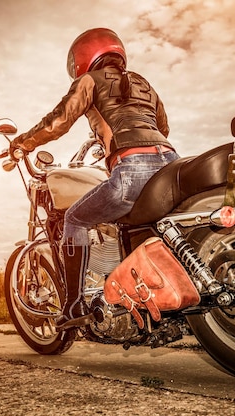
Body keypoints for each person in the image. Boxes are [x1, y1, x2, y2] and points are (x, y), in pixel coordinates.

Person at [10, 28, 179, 328]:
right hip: (170, 162)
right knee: (137, 226)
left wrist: (23, 142)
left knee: (74, 219)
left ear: (83, 58)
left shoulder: (89, 80)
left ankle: (73, 306)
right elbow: (162, 127)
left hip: (132, 167)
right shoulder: (143, 83)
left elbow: (59, 120)